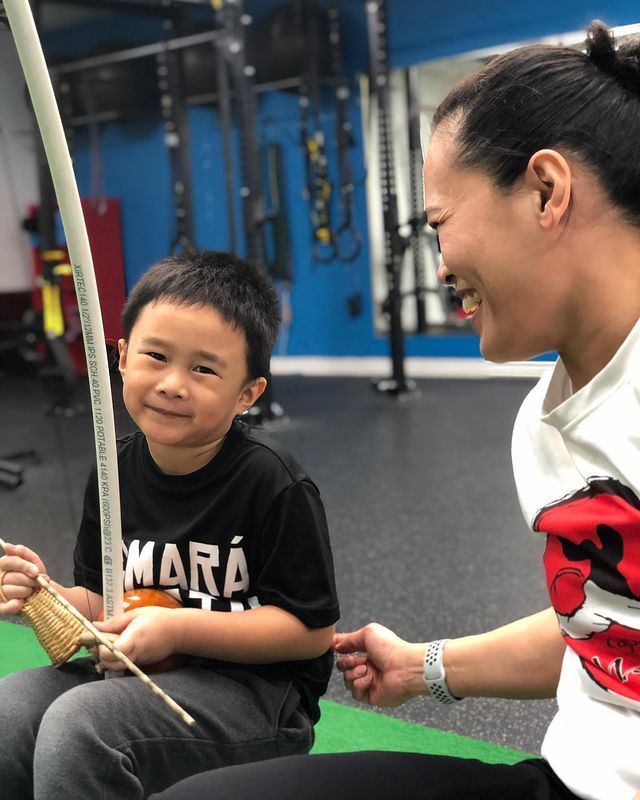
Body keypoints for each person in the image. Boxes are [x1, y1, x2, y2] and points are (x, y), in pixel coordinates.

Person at [148, 19, 640, 800]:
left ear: (546, 191)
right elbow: (606, 628)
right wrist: (423, 667)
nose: (439, 266)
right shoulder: (544, 428)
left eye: (440, 223)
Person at [0, 250, 340, 799]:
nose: (173, 383)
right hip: (141, 675)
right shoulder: (112, 470)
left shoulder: (272, 483)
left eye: (204, 369)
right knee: (8, 714)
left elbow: (311, 632)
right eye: (155, 356)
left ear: (248, 393)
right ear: (122, 357)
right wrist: (48, 596)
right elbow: (105, 601)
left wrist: (178, 627)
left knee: (81, 729)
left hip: (257, 698)